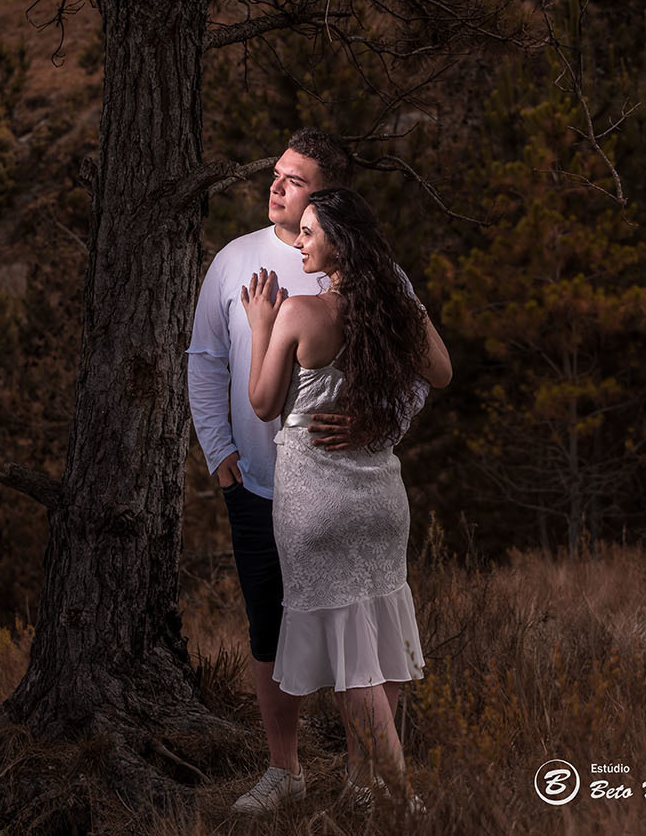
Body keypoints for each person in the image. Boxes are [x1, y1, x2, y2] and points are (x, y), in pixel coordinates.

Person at [241, 187, 452, 809]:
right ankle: (366, 787)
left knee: (351, 665)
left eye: (309, 232)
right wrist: (380, 419)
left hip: (316, 501)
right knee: (380, 643)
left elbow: (263, 403)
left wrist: (260, 326)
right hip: (380, 494)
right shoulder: (395, 311)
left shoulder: (301, 312)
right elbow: (440, 373)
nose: (300, 242)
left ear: (341, 241)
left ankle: (404, 800)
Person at [186, 129, 354, 814]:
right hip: (255, 486)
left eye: (295, 180)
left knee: (350, 631)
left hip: (338, 487)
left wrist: (377, 424)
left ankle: (369, 774)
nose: (276, 186)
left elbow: (413, 371)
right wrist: (218, 453)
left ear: (325, 198)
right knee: (268, 629)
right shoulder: (234, 260)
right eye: (277, 173)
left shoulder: (361, 268)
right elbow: (205, 360)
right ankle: (285, 770)